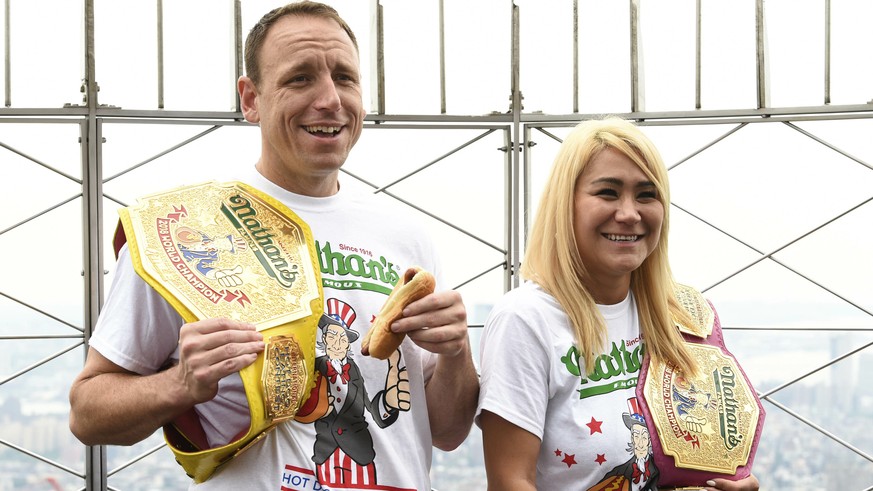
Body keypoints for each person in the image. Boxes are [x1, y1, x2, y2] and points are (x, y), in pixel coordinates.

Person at [68, 2, 479, 490]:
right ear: (250, 98)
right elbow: (87, 412)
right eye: (301, 79)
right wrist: (180, 385)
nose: (330, 99)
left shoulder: (406, 234)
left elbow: (448, 432)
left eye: (345, 78)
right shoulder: (183, 232)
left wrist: (456, 352)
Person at [475, 117, 760, 491]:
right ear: (566, 204)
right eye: (608, 193)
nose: (629, 214)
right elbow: (511, 483)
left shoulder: (684, 314)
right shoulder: (526, 320)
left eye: (646, 194)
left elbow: (703, 452)